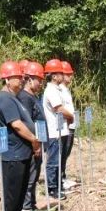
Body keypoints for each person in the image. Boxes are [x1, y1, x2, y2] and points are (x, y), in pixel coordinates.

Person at [0, 61, 41, 211]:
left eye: (22, 77)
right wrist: (34, 140)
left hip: (21, 153)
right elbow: (17, 125)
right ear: (7, 79)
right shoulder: (6, 100)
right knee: (13, 192)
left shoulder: (13, 98)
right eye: (17, 77)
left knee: (20, 190)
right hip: (13, 155)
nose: (21, 80)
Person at [19, 61, 46, 211]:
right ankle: (27, 206)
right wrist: (35, 143)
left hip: (38, 142)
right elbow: (27, 124)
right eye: (39, 80)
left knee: (35, 175)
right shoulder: (25, 98)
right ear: (29, 80)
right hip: (32, 144)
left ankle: (32, 202)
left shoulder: (33, 97)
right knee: (30, 176)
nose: (41, 83)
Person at [42, 59, 69, 200]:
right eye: (60, 73)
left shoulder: (57, 90)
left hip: (61, 130)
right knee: (53, 161)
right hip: (54, 131)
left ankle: (58, 185)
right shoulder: (51, 91)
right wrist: (71, 116)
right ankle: (52, 188)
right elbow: (58, 108)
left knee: (59, 159)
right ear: (53, 76)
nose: (62, 76)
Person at [58, 61, 78, 189]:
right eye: (68, 74)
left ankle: (63, 176)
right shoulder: (59, 90)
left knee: (67, 152)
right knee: (63, 153)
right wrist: (70, 118)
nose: (70, 77)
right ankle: (60, 178)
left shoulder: (66, 90)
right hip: (66, 126)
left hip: (70, 125)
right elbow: (60, 109)